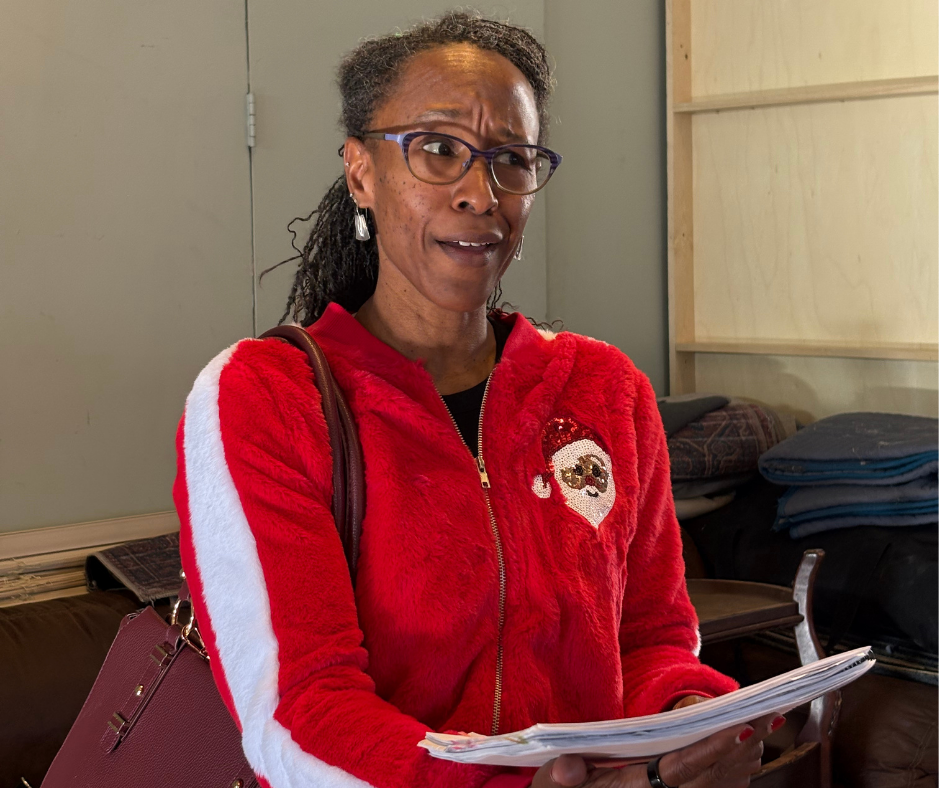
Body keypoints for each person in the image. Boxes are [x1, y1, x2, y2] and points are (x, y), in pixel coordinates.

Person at [173, 11, 782, 788]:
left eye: (512, 160)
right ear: (361, 171)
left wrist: (696, 720)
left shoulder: (604, 390)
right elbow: (300, 710)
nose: (479, 193)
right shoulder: (264, 394)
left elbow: (651, 636)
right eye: (437, 150)